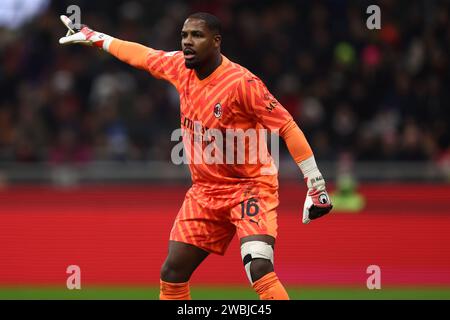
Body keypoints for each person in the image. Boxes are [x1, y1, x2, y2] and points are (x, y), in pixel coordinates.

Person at [59, 12, 333, 300]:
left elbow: (287, 126)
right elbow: (141, 55)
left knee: (259, 267)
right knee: (172, 273)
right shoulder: (179, 67)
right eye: (184, 35)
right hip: (205, 194)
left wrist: (315, 184)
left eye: (197, 35)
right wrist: (96, 37)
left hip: (249, 189)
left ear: (216, 42)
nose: (188, 42)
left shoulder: (242, 84)